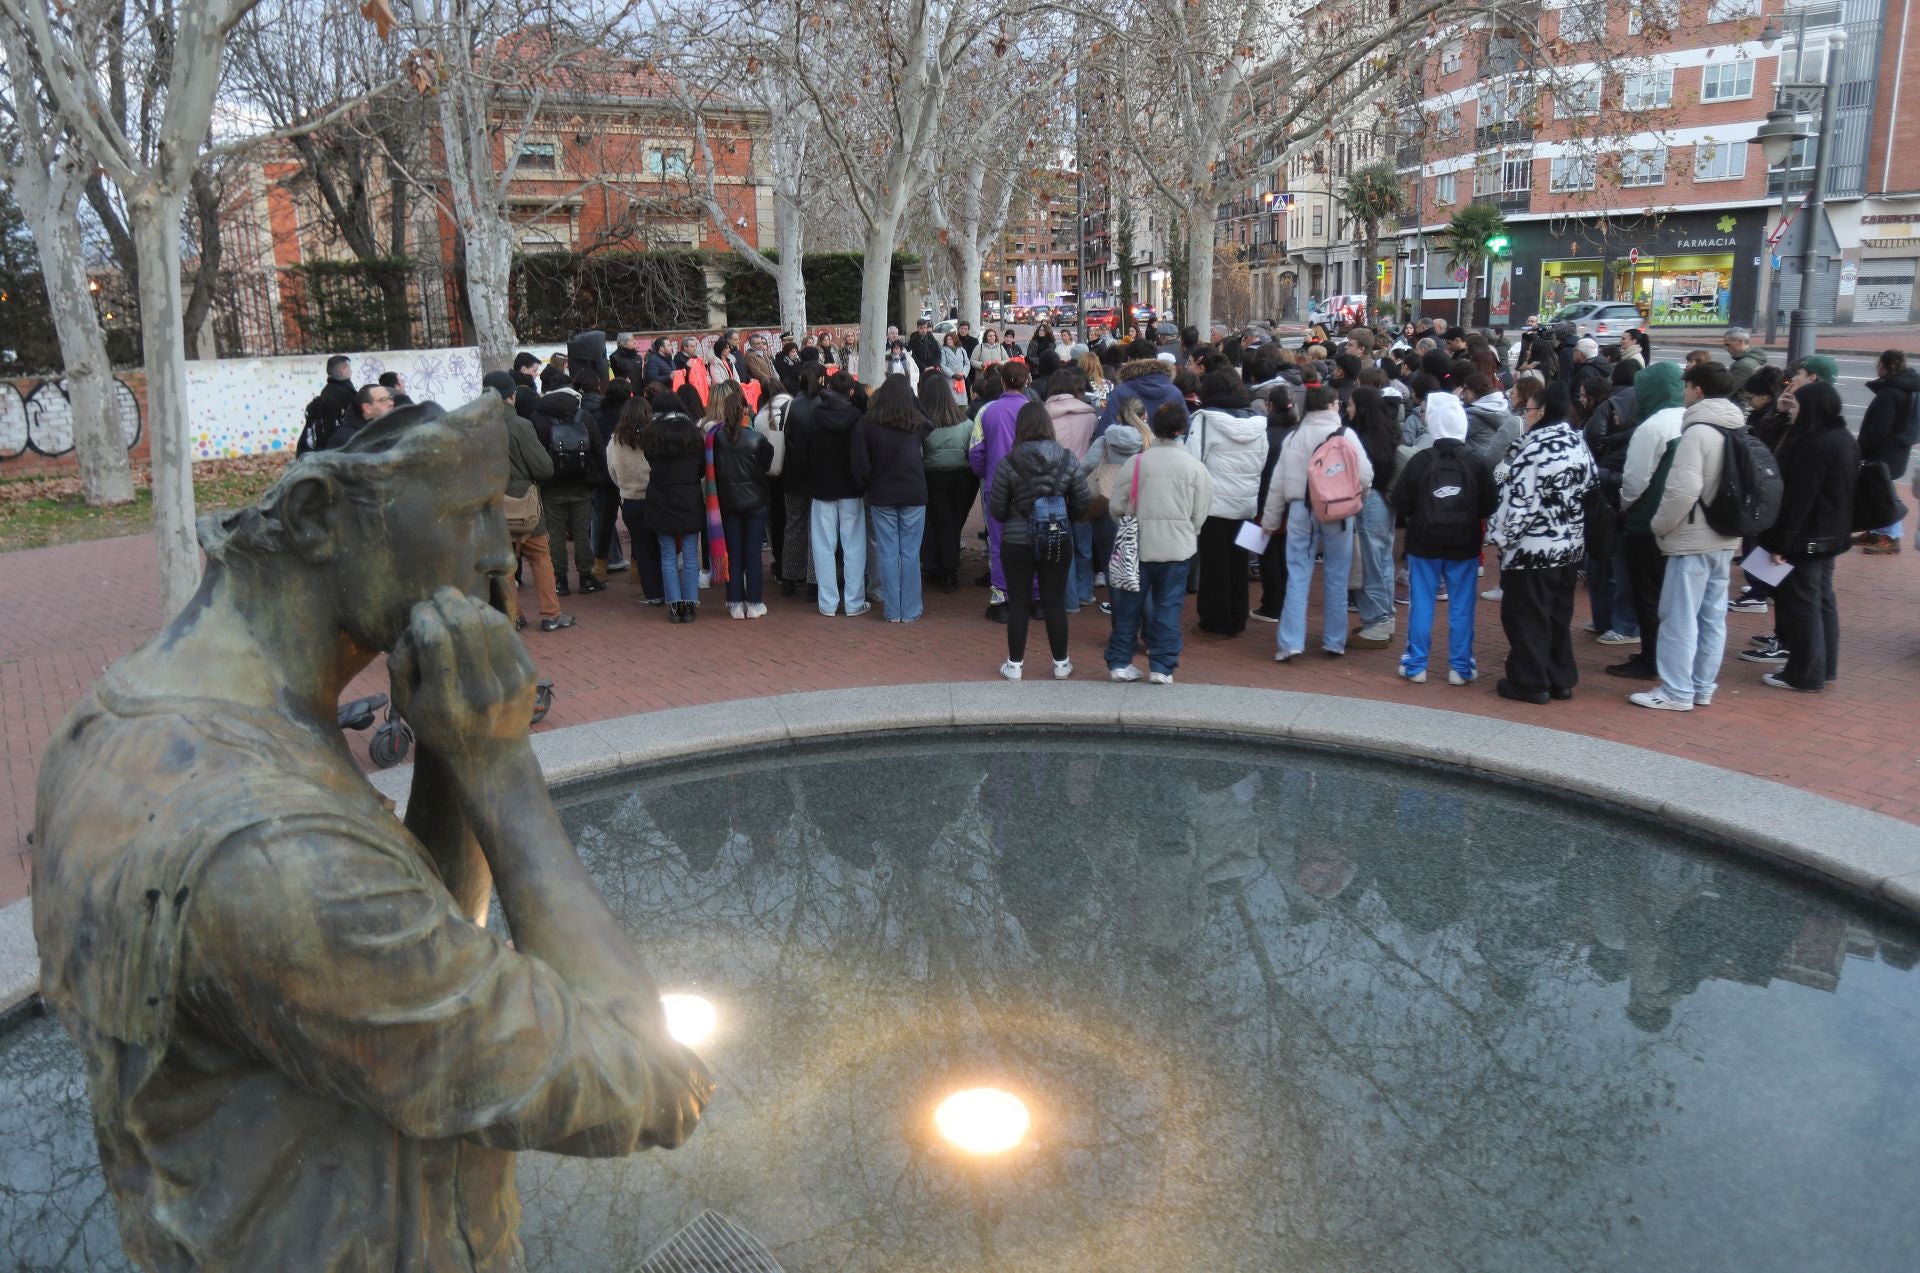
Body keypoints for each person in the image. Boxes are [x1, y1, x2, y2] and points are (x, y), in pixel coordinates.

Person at [33, 400, 711, 1271]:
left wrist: (450, 749)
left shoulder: (120, 718)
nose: (498, 551)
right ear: (319, 518)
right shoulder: (280, 854)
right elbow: (647, 1081)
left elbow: (418, 944)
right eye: (467, 514)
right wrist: (503, 772)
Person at [1629, 360, 1745, 712]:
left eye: (1687, 387)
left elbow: (1681, 491)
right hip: (1726, 533)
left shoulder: (1697, 431)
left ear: (1698, 390)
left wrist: (1659, 526)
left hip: (1692, 536)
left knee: (1679, 616)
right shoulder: (1737, 426)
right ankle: (1702, 686)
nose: (1684, 393)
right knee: (1712, 617)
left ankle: (1677, 691)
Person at [1488, 381, 1595, 704]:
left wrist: (1499, 536)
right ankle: (1560, 678)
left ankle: (1530, 681)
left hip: (1533, 550)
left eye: (1529, 409)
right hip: (1569, 545)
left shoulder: (1532, 449)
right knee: (1557, 615)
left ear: (1543, 411)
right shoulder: (1577, 443)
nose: (1526, 415)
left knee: (1527, 616)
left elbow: (1518, 505)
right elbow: (1592, 486)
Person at [1755, 381, 1857, 692]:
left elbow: (1799, 499)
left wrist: (1780, 544)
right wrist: (1783, 414)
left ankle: (1804, 673)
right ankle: (1822, 667)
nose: (1793, 410)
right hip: (1832, 535)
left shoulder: (1811, 444)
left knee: (1802, 605)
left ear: (1811, 408)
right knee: (1822, 601)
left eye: (1797, 406)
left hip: (1806, 538)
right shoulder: (1842, 437)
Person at [1260, 385, 1372, 661]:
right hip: (1338, 510)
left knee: (1298, 574)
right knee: (1337, 575)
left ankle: (1290, 642)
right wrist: (1355, 499)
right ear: (1332, 405)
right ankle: (1334, 640)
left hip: (1300, 508)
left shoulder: (1294, 436)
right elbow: (1366, 475)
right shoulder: (1346, 435)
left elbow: (1277, 483)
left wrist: (1269, 521)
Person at [1106, 402, 1213, 682]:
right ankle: (1162, 666)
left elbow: (1116, 505)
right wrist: (1189, 532)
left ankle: (1119, 662)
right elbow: (1199, 514)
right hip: (1178, 549)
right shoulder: (1195, 467)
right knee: (1168, 608)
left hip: (1138, 546)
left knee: (1129, 608)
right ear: (1182, 430)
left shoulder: (1138, 462)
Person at [1392, 392, 1493, 684]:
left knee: (1422, 602)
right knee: (1462, 605)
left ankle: (1416, 665)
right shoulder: (1475, 461)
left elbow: (1401, 501)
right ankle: (1460, 667)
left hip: (1424, 541)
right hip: (1464, 542)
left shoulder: (1421, 459)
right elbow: (1489, 504)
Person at [988, 403, 1091, 679]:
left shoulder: (1008, 462)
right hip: (1057, 539)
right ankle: (1061, 663)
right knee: (1054, 602)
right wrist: (1061, 514)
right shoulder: (1068, 459)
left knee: (1019, 603)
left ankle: (1015, 665)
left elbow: (996, 509)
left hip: (1017, 541)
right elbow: (1083, 502)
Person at [1607, 362, 1687, 681]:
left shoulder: (1652, 427)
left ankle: (1650, 658)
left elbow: (1635, 481)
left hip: (1647, 522)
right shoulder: (1689, 418)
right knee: (1676, 597)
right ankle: (1669, 656)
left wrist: (1625, 506)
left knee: (1647, 594)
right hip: (1683, 522)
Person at [483, 370, 574, 631]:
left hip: (492, 506)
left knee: (506, 565)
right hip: (524, 504)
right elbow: (543, 467)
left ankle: (513, 615)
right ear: (511, 396)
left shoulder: (476, 427)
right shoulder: (520, 425)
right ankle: (551, 614)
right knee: (539, 556)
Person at [1181, 367, 1268, 637]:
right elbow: (1263, 461)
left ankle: (1214, 618)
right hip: (1248, 506)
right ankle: (1237, 617)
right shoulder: (1259, 423)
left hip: (1213, 506)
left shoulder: (1204, 421)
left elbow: (1191, 461)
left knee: (1214, 563)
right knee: (1239, 562)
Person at [851, 374, 931, 622]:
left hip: (881, 492)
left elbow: (860, 465)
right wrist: (912, 399)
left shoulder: (867, 423)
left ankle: (892, 610)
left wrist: (867, 483)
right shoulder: (914, 422)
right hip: (913, 491)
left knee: (887, 551)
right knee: (910, 552)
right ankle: (910, 609)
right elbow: (930, 422)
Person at [971, 360, 1035, 621]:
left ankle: (1001, 598)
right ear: (1027, 381)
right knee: (1031, 540)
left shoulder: (988, 411)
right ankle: (1034, 596)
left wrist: (986, 473)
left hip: (997, 484)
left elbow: (976, 452)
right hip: (1030, 486)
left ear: (1002, 381)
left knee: (998, 543)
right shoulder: (1034, 410)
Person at [802, 369, 868, 617]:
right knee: (854, 547)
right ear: (851, 391)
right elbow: (862, 457)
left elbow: (805, 454)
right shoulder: (858, 418)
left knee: (823, 547)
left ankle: (827, 603)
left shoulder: (814, 416)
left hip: (822, 488)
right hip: (851, 489)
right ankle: (853, 602)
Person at [706, 383, 774, 620]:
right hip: (756, 501)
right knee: (753, 552)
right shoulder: (756, 439)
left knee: (733, 552)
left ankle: (735, 602)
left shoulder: (714, 439)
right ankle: (754, 602)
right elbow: (767, 464)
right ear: (745, 410)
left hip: (727, 502)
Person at [531, 370, 603, 596]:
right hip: (581, 482)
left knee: (556, 533)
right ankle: (585, 577)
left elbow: (535, 452)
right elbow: (599, 448)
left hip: (552, 484)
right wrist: (599, 476)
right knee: (581, 532)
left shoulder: (538, 417)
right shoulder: (583, 415)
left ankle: (560, 580)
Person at [642, 392, 708, 623]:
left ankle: (674, 605)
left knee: (667, 554)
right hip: (689, 497)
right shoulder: (693, 433)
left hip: (660, 497)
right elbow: (701, 467)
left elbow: (649, 461)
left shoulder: (651, 435)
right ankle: (690, 604)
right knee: (690, 554)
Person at [1344, 385, 1400, 647]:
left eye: (1351, 405)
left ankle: (1376, 621)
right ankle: (1385, 618)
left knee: (1369, 563)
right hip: (1385, 501)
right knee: (1382, 560)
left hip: (1368, 500)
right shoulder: (1387, 432)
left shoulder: (1361, 439)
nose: (1348, 409)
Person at [1044, 365, 1101, 612]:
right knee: (1083, 541)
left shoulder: (1044, 415)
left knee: (1059, 542)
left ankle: (1066, 598)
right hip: (1083, 480)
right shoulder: (1089, 414)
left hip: (1055, 481)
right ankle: (1085, 590)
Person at [1856, 350, 1919, 554]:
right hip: (1898, 449)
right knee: (1879, 490)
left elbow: (1879, 428)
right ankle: (1875, 531)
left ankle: (1890, 537)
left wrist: (1861, 448)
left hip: (1883, 452)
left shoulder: (1889, 392)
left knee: (1884, 493)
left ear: (1882, 365)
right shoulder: (1908, 387)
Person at [608, 389, 666, 608]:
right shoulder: (655, 436)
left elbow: (612, 469)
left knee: (641, 548)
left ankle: (652, 593)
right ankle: (668, 587)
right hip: (655, 496)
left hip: (630, 498)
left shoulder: (616, 441)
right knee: (662, 545)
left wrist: (623, 486)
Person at [920, 373, 974, 593]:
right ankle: (950, 568)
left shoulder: (924, 424)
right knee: (953, 522)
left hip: (933, 476)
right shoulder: (965, 422)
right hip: (962, 476)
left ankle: (941, 568)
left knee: (938, 522)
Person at [778, 363, 824, 598]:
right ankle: (813, 581)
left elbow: (785, 436)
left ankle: (789, 575)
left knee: (793, 524)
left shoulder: (789, 405)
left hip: (793, 472)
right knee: (816, 528)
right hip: (816, 473)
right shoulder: (823, 404)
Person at [1096, 343, 1186, 437]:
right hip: (1166, 448)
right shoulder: (1175, 392)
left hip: (1128, 449)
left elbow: (1105, 430)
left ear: (1129, 360)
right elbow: (1186, 429)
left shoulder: (1120, 391)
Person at [297, 354, 358, 454]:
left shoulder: (328, 390)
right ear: (342, 370)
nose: (351, 371)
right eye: (349, 368)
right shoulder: (345, 392)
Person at [1723, 327, 1766, 398]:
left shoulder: (1742, 365)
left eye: (1728, 345)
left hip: (1738, 406)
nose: (1726, 349)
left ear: (1740, 341)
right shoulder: (1754, 358)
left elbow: (1726, 393)